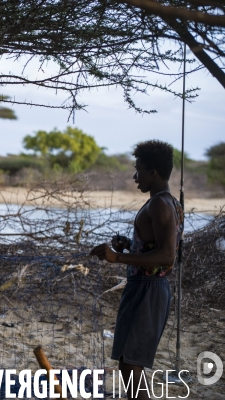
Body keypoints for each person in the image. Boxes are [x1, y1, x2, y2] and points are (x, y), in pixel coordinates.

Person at [90, 140, 183, 400]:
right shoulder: (166, 202)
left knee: (131, 365)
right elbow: (155, 248)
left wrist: (117, 257)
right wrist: (130, 246)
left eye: (138, 169)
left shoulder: (160, 205)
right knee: (128, 363)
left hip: (148, 292)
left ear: (153, 172)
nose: (134, 176)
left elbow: (166, 257)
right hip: (146, 289)